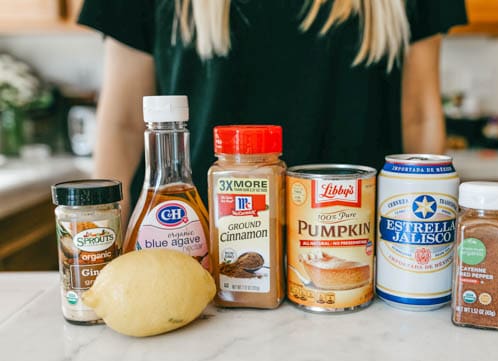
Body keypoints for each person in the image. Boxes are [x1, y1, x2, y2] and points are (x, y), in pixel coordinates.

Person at [78, 0, 467, 218]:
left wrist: (426, 240)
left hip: (353, 249)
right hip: (190, 248)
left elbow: (418, 114)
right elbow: (125, 124)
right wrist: (103, 245)